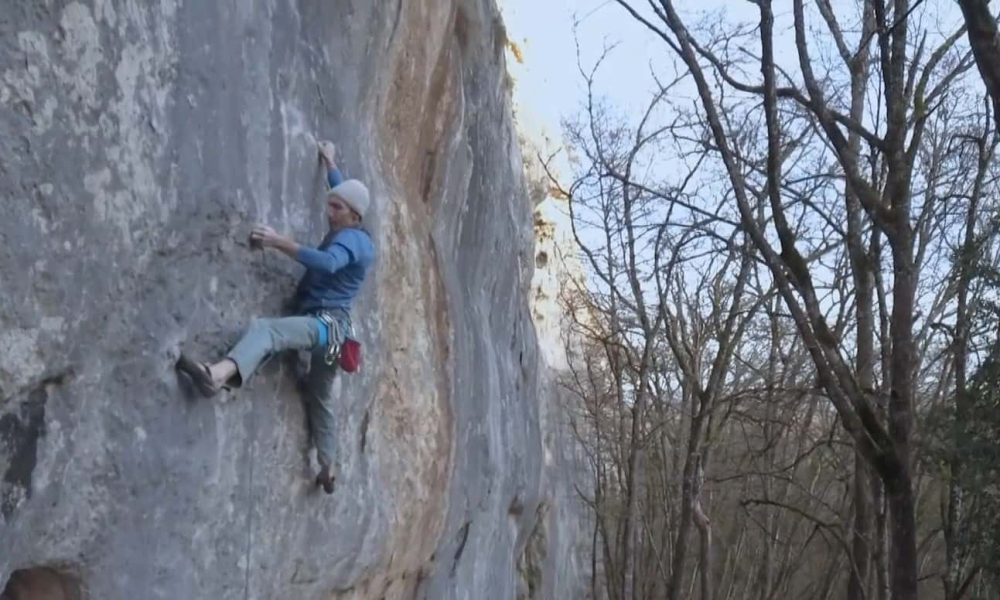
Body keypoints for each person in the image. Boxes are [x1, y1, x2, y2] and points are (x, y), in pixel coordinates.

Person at [176, 140, 375, 494]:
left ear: (354, 216)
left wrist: (278, 241)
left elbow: (329, 263)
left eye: (336, 208)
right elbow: (343, 191)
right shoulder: (352, 222)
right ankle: (328, 466)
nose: (329, 212)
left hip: (326, 328)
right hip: (336, 338)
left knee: (267, 331)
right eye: (330, 204)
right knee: (319, 395)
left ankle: (215, 375)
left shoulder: (355, 243)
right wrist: (330, 163)